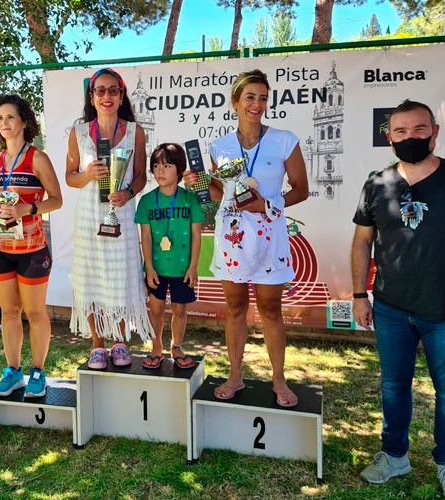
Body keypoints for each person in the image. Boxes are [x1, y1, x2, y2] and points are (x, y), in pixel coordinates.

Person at [351, 99, 445, 500]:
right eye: (400, 132)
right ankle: (394, 454)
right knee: (393, 386)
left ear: (434, 131)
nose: (410, 138)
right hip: (391, 308)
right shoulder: (376, 184)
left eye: (418, 130)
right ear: (389, 137)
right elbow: (362, 243)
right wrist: (359, 295)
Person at [183, 69, 308, 403]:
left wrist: (267, 203)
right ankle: (235, 376)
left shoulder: (284, 140)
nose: (257, 104)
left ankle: (279, 380)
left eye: (263, 98)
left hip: (269, 237)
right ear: (235, 102)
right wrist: (195, 182)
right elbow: (215, 194)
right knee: (234, 308)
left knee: (270, 310)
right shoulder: (219, 146)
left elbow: (302, 189)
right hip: (232, 238)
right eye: (250, 97)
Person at [0, 95, 63, 397]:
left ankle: (38, 372)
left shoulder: (37, 158)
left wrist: (28, 210)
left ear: (24, 121)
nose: (4, 124)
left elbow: (57, 200)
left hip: (32, 249)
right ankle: (13, 371)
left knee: (35, 313)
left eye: (10, 117)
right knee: (9, 312)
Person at [65, 68, 153, 369]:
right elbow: (70, 178)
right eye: (100, 90)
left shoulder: (134, 131)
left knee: (121, 277)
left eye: (112, 90)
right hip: (90, 217)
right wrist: (88, 174)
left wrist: (128, 193)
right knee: (90, 276)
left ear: (121, 95)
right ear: (91, 96)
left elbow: (141, 177)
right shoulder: (79, 132)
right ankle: (97, 345)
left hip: (121, 214)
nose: (106, 96)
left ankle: (118, 340)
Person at [135, 143, 204, 370]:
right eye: (155, 166)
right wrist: (149, 268)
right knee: (155, 308)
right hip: (156, 268)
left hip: (183, 269)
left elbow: (196, 235)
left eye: (166, 165)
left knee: (180, 309)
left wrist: (193, 267)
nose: (160, 171)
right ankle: (156, 347)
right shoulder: (146, 201)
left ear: (180, 169)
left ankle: (177, 346)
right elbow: (145, 238)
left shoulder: (190, 199)